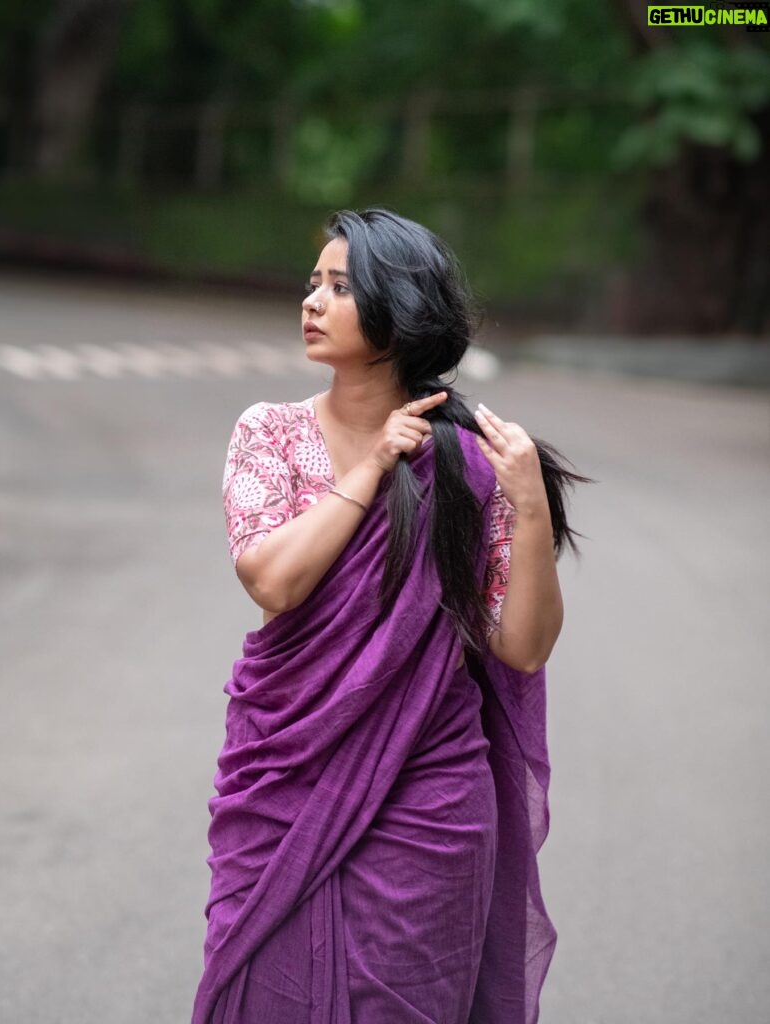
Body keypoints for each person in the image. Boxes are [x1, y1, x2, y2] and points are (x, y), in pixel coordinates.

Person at [192, 208, 591, 1024]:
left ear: (398, 310)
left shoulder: (469, 460)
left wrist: (529, 509)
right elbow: (273, 581)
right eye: (312, 284)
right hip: (283, 771)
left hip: (428, 797)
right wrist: (371, 466)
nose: (311, 301)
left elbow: (521, 647)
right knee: (260, 987)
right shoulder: (269, 434)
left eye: (340, 287)